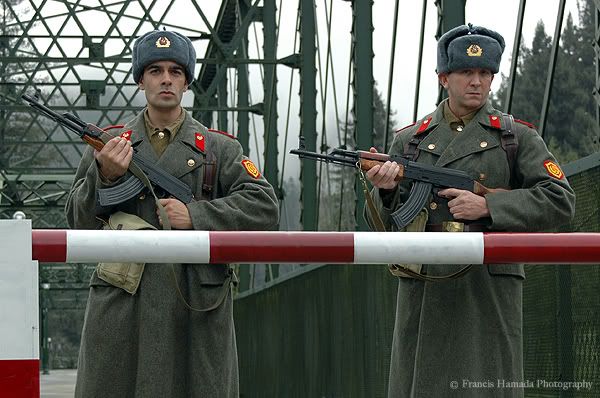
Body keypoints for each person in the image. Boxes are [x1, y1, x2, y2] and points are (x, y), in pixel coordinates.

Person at [364, 24, 575, 397]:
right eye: (466, 73)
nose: (476, 82)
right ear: (444, 78)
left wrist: (489, 205)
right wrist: (384, 192)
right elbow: (375, 227)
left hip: (487, 291)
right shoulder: (409, 141)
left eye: (484, 74)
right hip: (427, 290)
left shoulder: (515, 137)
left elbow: (560, 199)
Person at [66, 30, 279, 397]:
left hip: (194, 300)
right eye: (155, 70)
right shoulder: (110, 144)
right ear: (140, 80)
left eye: (176, 72)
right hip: (123, 300)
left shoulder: (219, 148)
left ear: (186, 82)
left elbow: (264, 207)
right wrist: (105, 176)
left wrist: (196, 216)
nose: (166, 79)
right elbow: (76, 220)